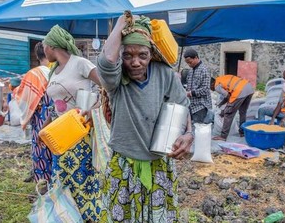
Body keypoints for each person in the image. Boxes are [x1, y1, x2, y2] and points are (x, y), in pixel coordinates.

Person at [98, 13, 193, 222]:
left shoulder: (164, 74)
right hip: (124, 164)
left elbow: (182, 105)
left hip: (159, 164)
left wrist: (188, 134)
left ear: (151, 54)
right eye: (128, 55)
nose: (135, 62)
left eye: (142, 55)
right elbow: (107, 61)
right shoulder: (116, 79)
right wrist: (123, 23)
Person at [42, 25, 102, 221]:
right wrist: (46, 126)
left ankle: (87, 216)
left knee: (82, 179)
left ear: (52, 46)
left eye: (44, 46)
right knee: (62, 178)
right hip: (59, 134)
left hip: (80, 132)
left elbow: (107, 87)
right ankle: (66, 217)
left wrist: (94, 110)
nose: (43, 50)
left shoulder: (80, 63)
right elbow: (54, 104)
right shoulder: (54, 71)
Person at [14, 42, 53, 183]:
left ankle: (43, 183)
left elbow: (23, 96)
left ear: (37, 56)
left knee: (41, 147)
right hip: (58, 114)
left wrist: (14, 90)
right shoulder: (59, 70)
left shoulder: (33, 73)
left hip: (41, 115)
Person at [212, 74, 254, 141]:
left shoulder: (217, 85)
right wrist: (221, 104)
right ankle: (242, 132)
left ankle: (223, 136)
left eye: (210, 87)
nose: (212, 90)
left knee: (228, 114)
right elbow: (228, 96)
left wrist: (224, 110)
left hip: (239, 91)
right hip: (249, 88)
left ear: (212, 84)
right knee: (242, 112)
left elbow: (227, 96)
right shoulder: (222, 79)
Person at [183, 48, 212, 123]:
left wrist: (190, 93)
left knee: (198, 128)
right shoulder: (191, 70)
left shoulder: (204, 70)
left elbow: (205, 89)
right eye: (187, 63)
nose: (189, 65)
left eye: (190, 62)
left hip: (200, 106)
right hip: (191, 105)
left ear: (196, 58)